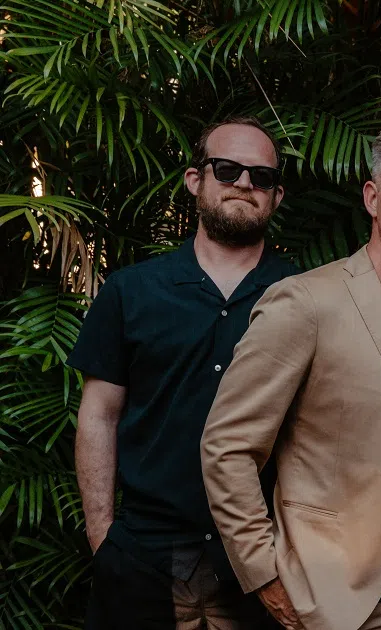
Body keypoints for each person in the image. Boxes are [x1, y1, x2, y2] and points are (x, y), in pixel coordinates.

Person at [200, 122, 381, 630]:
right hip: (344, 605)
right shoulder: (306, 303)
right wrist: (264, 576)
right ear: (372, 198)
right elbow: (228, 447)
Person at [70, 117, 296, 628]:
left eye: (261, 177)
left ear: (276, 196)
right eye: (227, 169)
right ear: (196, 180)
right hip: (145, 555)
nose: (244, 183)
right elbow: (99, 416)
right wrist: (103, 538)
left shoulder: (303, 296)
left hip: (262, 558)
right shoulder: (131, 291)